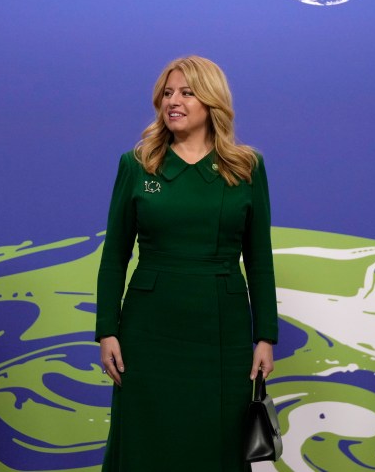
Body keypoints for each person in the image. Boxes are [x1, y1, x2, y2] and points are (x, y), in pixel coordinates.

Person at [95, 55, 278, 471]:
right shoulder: (137, 164)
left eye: (186, 92)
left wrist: (265, 335)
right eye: (166, 93)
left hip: (222, 331)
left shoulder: (246, 167)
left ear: (212, 101)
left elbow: (260, 260)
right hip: (148, 331)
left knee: (216, 445)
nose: (172, 101)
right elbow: (114, 256)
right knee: (146, 441)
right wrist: (107, 329)